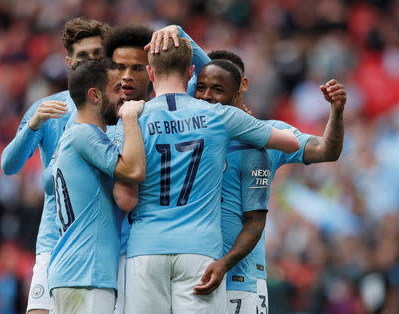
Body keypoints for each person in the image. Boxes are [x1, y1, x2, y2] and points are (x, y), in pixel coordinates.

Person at [122, 37, 300, 314]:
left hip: (146, 246)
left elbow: (123, 196)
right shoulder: (218, 115)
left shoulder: (133, 118)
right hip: (200, 249)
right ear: (192, 73)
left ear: (150, 73)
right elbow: (292, 144)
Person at [194, 55, 347, 313]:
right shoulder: (189, 132)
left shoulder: (270, 134)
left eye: (219, 86)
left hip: (243, 281)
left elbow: (326, 151)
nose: (208, 95)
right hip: (192, 272)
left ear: (240, 86)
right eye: (202, 85)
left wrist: (337, 111)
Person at [0, 17, 109, 314]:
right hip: (54, 238)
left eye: (97, 55)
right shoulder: (48, 108)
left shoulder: (118, 109)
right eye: (82, 56)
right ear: (69, 61)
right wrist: (32, 126)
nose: (89, 62)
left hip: (103, 243)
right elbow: (9, 166)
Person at [103, 23, 213, 314]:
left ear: (151, 70)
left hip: (143, 251)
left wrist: (180, 34)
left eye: (137, 68)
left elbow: (214, 75)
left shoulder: (179, 104)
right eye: (119, 67)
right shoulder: (91, 118)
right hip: (107, 259)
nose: (127, 76)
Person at [48, 58, 146, 314]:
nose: (122, 97)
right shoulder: (85, 135)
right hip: (86, 274)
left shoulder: (73, 137)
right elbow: (134, 170)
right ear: (94, 95)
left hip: (74, 273)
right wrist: (130, 119)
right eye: (116, 89)